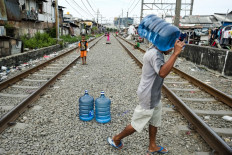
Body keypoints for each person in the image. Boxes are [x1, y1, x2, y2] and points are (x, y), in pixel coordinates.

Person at [107, 36, 185, 153]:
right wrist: (175, 54)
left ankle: (152, 146)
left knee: (155, 120)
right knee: (137, 123)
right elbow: (162, 73)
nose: (171, 50)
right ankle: (116, 139)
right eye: (171, 46)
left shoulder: (156, 50)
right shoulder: (154, 54)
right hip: (148, 95)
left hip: (154, 94)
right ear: (164, 44)